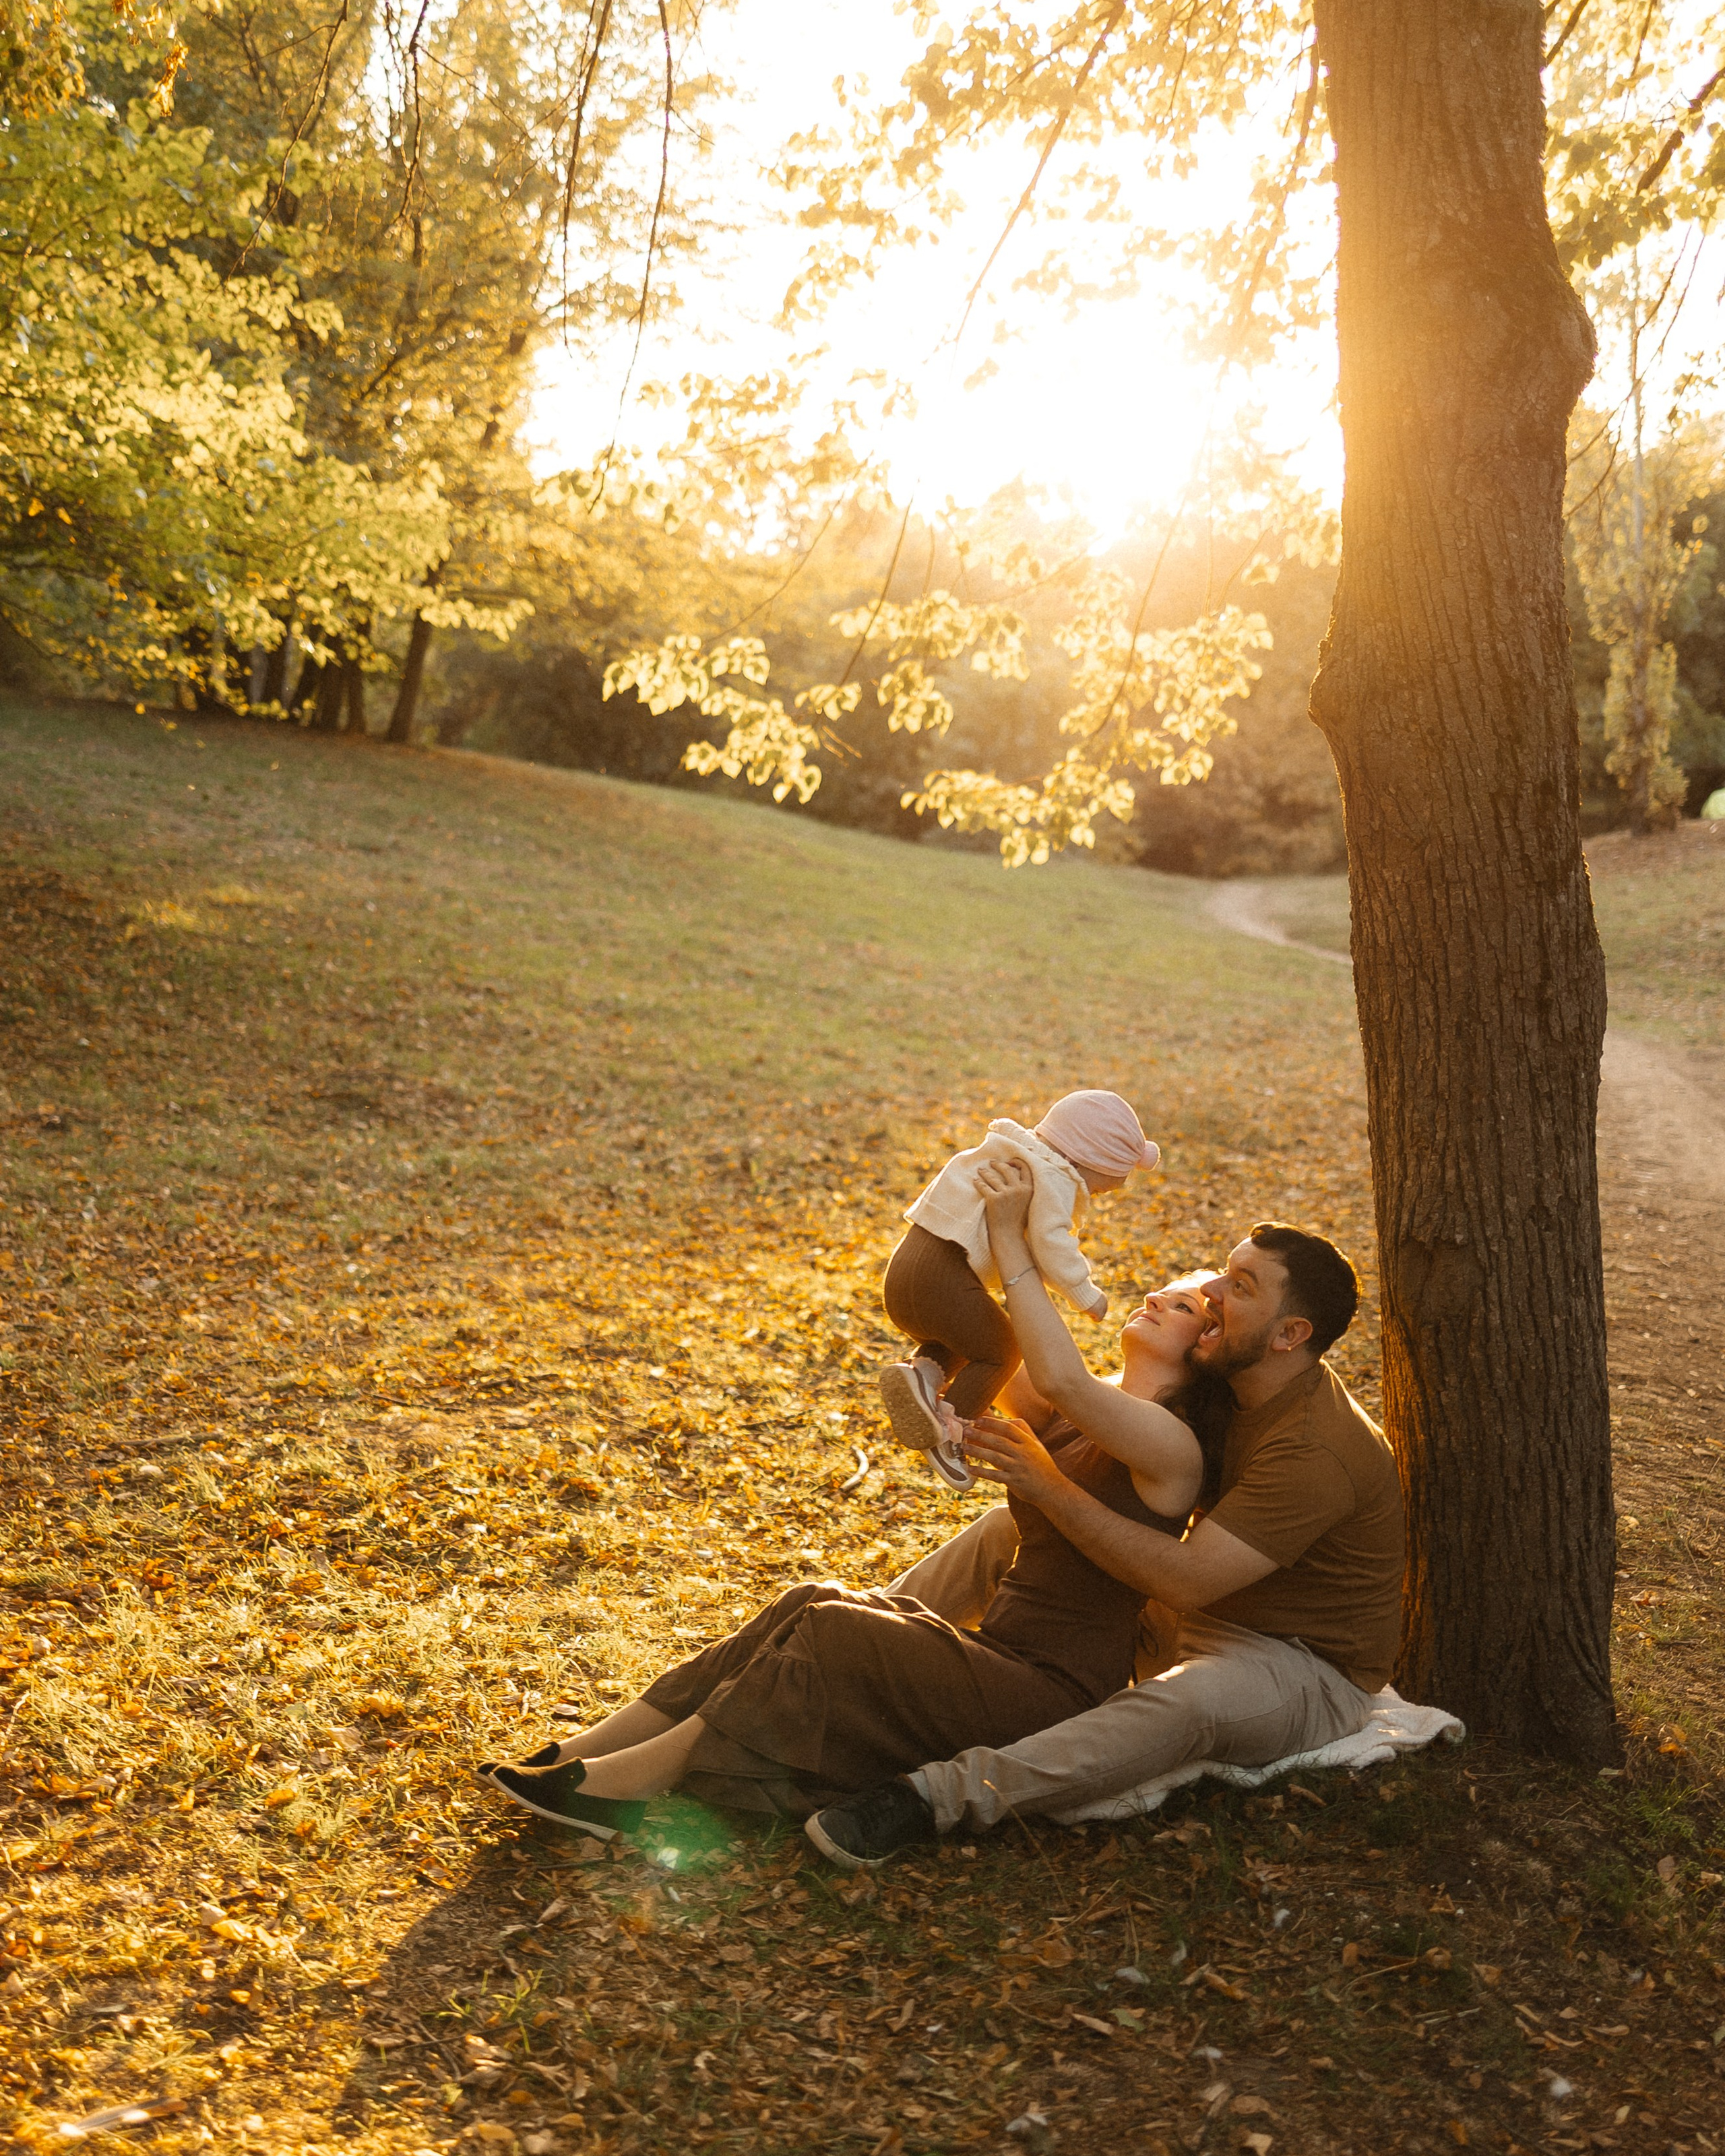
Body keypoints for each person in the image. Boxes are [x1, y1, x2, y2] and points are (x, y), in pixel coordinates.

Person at [472, 1253, 1226, 1841]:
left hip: (1050, 1693)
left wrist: (1023, 1245)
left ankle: (627, 1787)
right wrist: (1010, 1209)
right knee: (812, 1599)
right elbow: (994, 1337)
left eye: (1185, 1304)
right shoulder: (1078, 1405)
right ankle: (583, 1753)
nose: (1158, 1295)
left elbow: (1056, 1372)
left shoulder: (1170, 1443)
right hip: (999, 1659)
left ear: (1205, 1349)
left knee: (839, 1628)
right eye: (1168, 1287)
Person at [804, 1168, 1405, 1870]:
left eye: (1239, 1287)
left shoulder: (1315, 1447)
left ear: (1289, 1333)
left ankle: (931, 1797)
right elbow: (1058, 1389)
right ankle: (844, 1645)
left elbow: (1186, 1579)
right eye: (1223, 1275)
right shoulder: (1219, 1378)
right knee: (1008, 1532)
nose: (1210, 1294)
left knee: (1193, 1702)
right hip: (1189, 1615)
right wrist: (966, 1298)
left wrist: (1052, 1487)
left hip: (1297, 1663)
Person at [879, 1089, 1161, 1489]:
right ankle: (948, 1432)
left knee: (975, 1333)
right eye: (1098, 1189)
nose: (1093, 1198)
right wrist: (1085, 1295)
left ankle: (923, 1375)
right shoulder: (1054, 1177)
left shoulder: (1005, 1149)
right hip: (940, 1278)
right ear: (1087, 1160)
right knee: (1004, 1349)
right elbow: (1051, 1242)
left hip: (907, 1272)